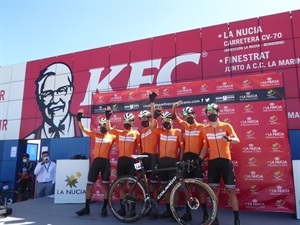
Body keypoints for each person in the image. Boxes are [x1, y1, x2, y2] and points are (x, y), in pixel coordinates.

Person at [199, 103, 241, 225]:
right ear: (206, 114)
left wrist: (229, 139)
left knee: (231, 191)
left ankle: (236, 219)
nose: (211, 114)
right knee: (214, 191)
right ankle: (214, 217)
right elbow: (205, 146)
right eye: (208, 112)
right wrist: (199, 158)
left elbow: (237, 140)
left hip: (225, 161)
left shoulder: (226, 126)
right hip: (213, 162)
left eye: (213, 112)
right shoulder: (205, 129)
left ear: (218, 113)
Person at [24, 62, 83, 139]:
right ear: (40, 98)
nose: (55, 100)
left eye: (61, 90)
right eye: (48, 93)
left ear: (70, 91)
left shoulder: (88, 131)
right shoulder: (30, 138)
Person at [172, 101, 208, 222]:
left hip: (197, 158)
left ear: (194, 114)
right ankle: (188, 213)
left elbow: (205, 145)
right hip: (186, 158)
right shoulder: (186, 126)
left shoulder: (202, 127)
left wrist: (200, 158)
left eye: (190, 114)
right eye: (185, 115)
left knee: (200, 188)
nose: (188, 117)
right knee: (187, 186)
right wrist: (173, 107)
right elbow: (174, 117)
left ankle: (205, 215)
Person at [75, 109, 116, 217]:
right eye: (100, 125)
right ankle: (86, 208)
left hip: (105, 163)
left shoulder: (112, 136)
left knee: (105, 187)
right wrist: (79, 119)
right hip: (96, 162)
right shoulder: (95, 134)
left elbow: (124, 137)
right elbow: (84, 129)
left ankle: (104, 208)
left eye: (104, 124)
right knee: (89, 186)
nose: (102, 126)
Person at [106, 108, 141, 217]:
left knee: (132, 186)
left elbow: (139, 149)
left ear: (132, 122)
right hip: (121, 160)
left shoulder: (136, 133)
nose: (127, 123)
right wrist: (108, 117)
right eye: (125, 121)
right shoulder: (119, 133)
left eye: (129, 121)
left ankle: (133, 209)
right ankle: (122, 209)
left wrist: (140, 161)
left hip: (131, 161)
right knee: (121, 185)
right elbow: (108, 129)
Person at [152, 111, 184, 219]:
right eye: (164, 120)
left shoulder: (177, 131)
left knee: (174, 188)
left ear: (172, 120)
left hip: (173, 162)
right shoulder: (160, 131)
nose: (166, 122)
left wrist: (180, 160)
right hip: (162, 162)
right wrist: (155, 117)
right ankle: (168, 210)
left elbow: (182, 147)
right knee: (165, 187)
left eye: (168, 120)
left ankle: (174, 211)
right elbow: (152, 128)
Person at [138, 92, 160, 198]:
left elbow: (153, 115)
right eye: (141, 119)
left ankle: (154, 203)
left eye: (145, 118)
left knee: (154, 184)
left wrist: (152, 102)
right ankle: (147, 202)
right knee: (144, 183)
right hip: (144, 157)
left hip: (152, 157)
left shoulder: (153, 127)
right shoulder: (141, 132)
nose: (143, 120)